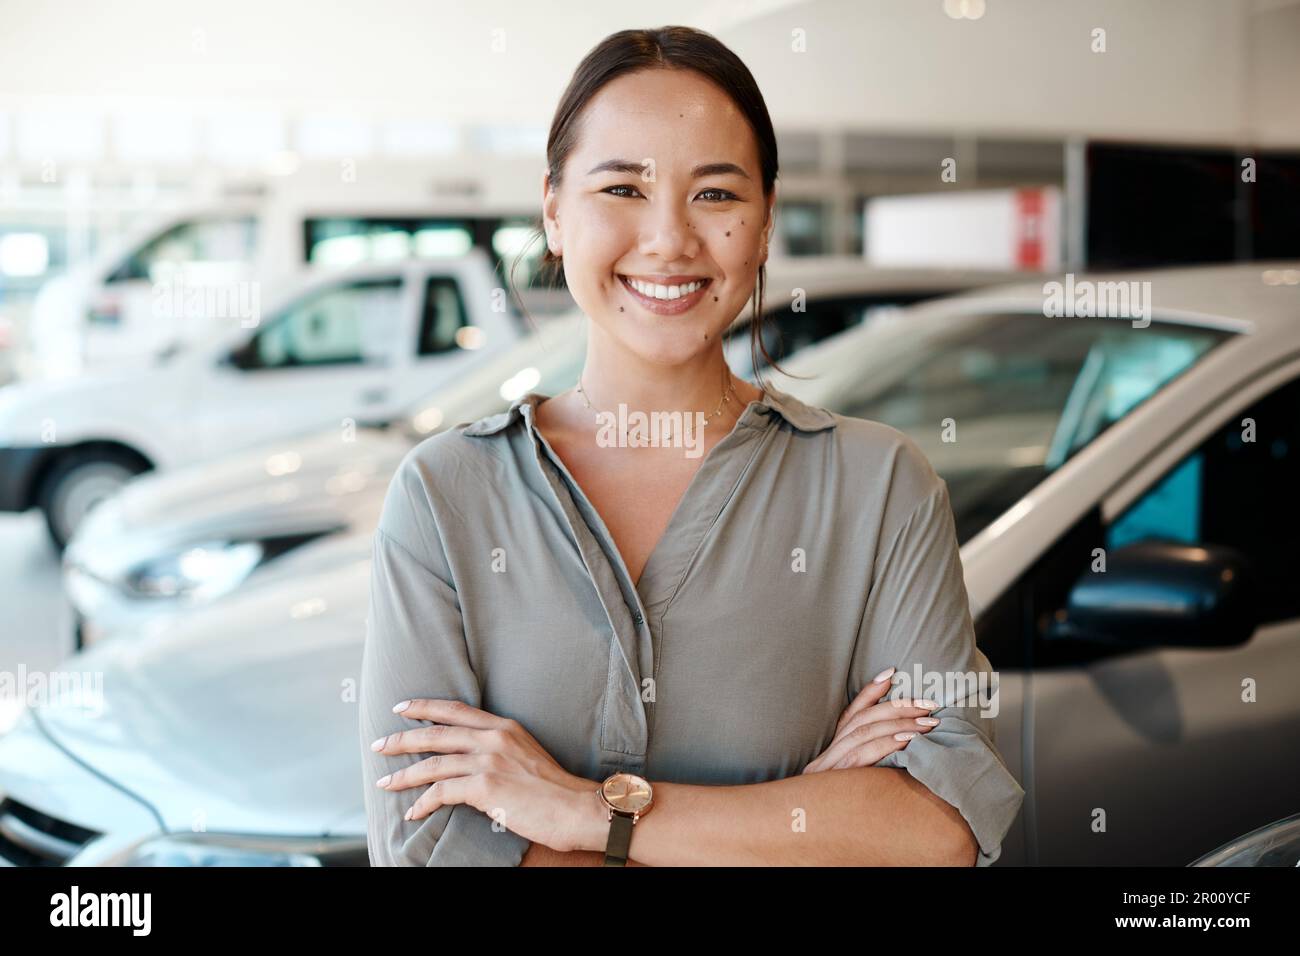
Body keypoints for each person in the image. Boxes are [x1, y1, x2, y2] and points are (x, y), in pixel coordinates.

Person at [359, 25, 1024, 866]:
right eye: (623, 189)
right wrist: (802, 818)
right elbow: (422, 850)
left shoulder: (880, 486)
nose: (670, 239)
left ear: (766, 221)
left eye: (715, 195)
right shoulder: (445, 494)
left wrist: (578, 811)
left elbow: (936, 831)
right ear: (554, 212)